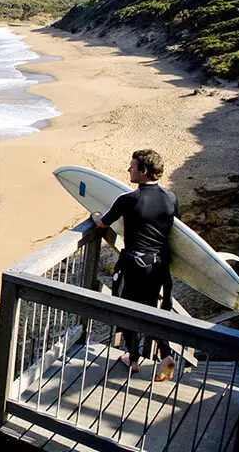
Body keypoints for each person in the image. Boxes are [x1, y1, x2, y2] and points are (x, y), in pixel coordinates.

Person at [91, 149, 178, 381]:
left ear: (144, 171)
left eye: (132, 166)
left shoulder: (128, 200)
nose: (129, 169)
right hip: (159, 266)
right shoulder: (171, 198)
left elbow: (102, 222)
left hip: (133, 265)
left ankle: (133, 358)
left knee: (127, 309)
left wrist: (94, 215)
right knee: (153, 309)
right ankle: (166, 354)